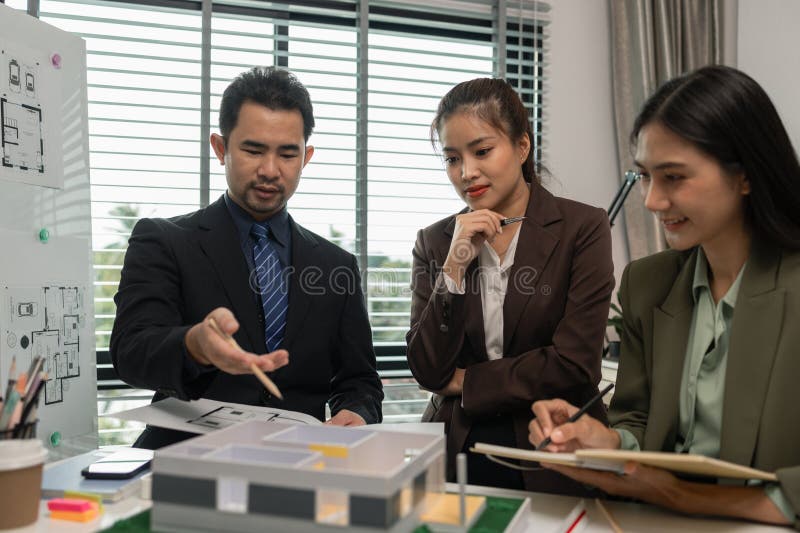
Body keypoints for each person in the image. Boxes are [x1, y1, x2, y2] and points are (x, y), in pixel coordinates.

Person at [529, 65, 800, 526]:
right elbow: (638, 418)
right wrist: (606, 441)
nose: (652, 201)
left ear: (746, 175)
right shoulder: (647, 284)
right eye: (645, 177)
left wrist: (676, 494)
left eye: (673, 177)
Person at [110, 67, 383, 449]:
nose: (270, 171)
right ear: (220, 148)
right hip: (182, 459)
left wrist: (358, 410)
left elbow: (360, 381)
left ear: (306, 156)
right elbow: (130, 353)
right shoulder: (163, 240)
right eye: (253, 150)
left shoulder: (337, 265)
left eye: (287, 154)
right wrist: (194, 344)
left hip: (298, 462)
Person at [406, 78, 615, 493]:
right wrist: (455, 265)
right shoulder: (434, 241)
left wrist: (468, 381)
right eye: (452, 158)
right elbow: (429, 369)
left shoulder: (583, 228)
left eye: (482, 151)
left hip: (554, 447)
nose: (467, 173)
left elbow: (574, 364)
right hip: (457, 452)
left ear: (522, 147)